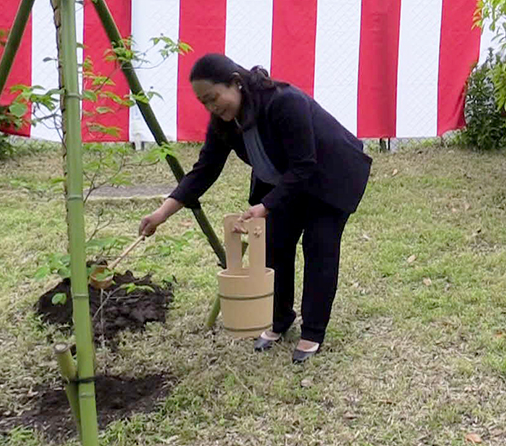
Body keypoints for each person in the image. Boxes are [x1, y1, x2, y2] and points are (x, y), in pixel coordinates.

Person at [139, 53, 372, 363]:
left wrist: (266, 206)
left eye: (213, 97)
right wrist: (162, 213)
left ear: (235, 83)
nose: (211, 107)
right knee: (275, 247)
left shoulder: (284, 103)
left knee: (319, 247)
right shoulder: (224, 122)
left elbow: (304, 166)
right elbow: (204, 169)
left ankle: (313, 331)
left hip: (329, 176)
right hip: (285, 183)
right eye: (204, 102)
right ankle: (279, 319)